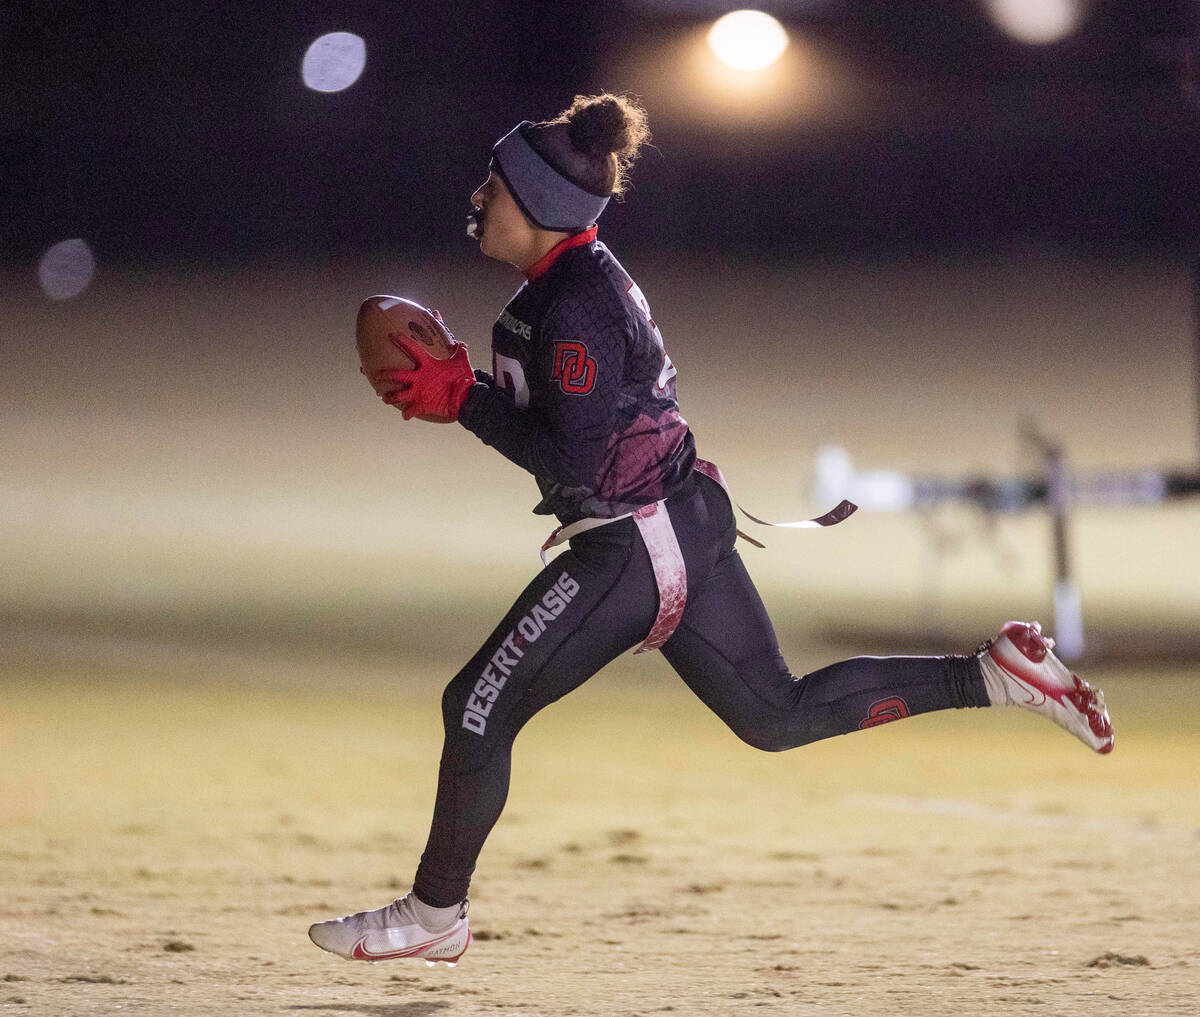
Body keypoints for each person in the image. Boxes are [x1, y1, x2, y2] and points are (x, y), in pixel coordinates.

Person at [308, 93, 1113, 966]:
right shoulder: (566, 283)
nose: (478, 197)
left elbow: (573, 457)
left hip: (633, 543)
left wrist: (464, 399)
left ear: (541, 208)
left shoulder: (572, 305)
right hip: (677, 523)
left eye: (494, 187)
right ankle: (992, 676)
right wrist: (472, 395)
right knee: (775, 712)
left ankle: (434, 914)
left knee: (476, 707)